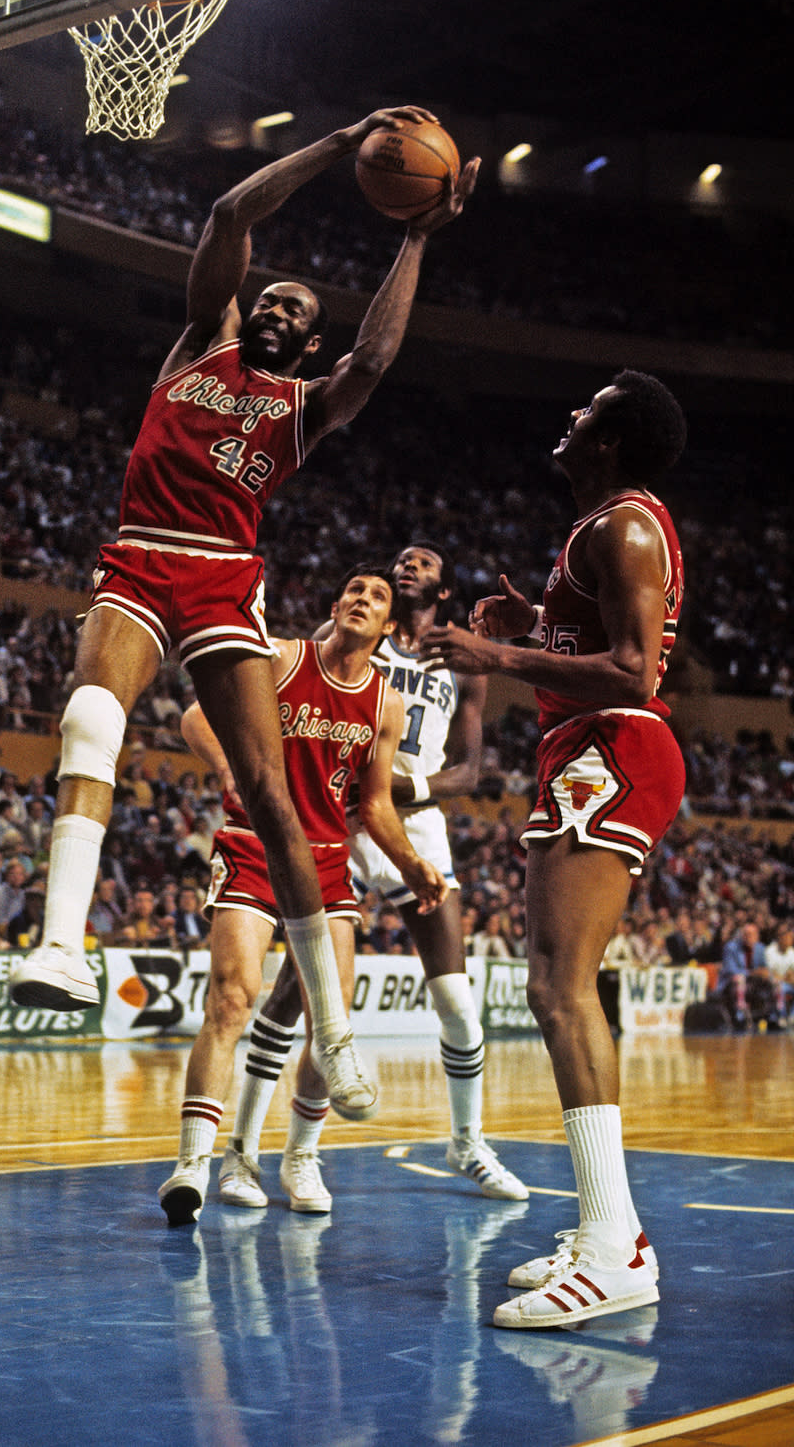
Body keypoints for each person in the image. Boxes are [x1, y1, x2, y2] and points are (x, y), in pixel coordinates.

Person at [9, 108, 479, 1123]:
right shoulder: (197, 346)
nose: (276, 307)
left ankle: (337, 1039)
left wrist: (412, 237)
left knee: (273, 794)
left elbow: (374, 362)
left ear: (306, 339)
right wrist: (338, 141)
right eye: (269, 296)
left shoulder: (300, 407)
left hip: (226, 578)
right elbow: (227, 212)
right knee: (93, 718)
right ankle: (57, 945)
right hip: (140, 557)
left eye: (295, 309)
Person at [419, 369, 688, 1328]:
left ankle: (615, 1248)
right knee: (554, 981)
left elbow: (635, 667)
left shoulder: (626, 525)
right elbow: (592, 644)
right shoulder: (605, 526)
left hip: (614, 742)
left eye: (589, 411)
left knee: (560, 986)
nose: (570, 416)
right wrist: (529, 628)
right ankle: (610, 1228)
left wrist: (499, 658)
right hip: (586, 744)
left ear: (611, 442)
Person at [222, 543, 526, 1209]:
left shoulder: (463, 656)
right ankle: (256, 1150)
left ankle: (468, 1140)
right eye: (402, 561)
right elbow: (294, 682)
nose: (408, 565)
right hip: (339, 824)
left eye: (425, 563)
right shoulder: (353, 629)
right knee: (300, 1000)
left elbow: (472, 772)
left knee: (456, 999)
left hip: (408, 821)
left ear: (443, 592)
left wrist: (395, 787)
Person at [158, 565, 448, 1224]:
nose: (361, 599)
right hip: (253, 846)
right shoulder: (284, 657)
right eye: (353, 590)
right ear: (336, 604)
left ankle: (301, 1155)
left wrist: (411, 863)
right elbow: (197, 718)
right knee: (231, 997)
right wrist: (232, 767)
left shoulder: (385, 703)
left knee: (330, 1019)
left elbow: (373, 804)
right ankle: (195, 1161)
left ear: (387, 624)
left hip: (323, 860)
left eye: (375, 596)